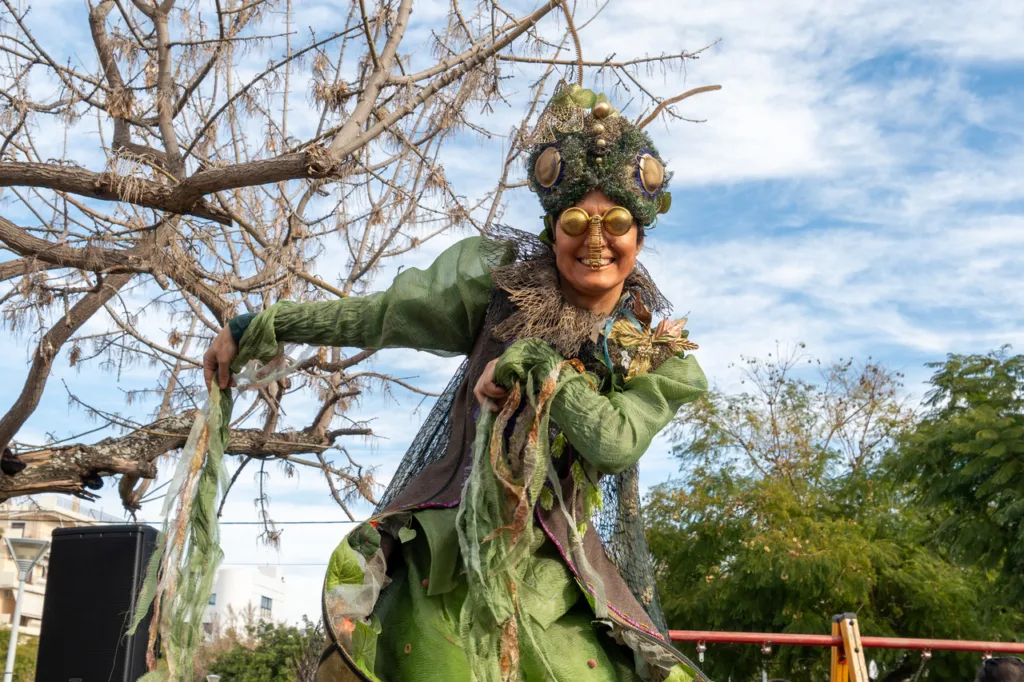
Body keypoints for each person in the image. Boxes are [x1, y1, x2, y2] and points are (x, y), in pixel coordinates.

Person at [204, 83, 708, 682]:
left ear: (640, 236)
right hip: (446, 555)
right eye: (576, 220)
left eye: (616, 221)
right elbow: (377, 315)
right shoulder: (498, 292)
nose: (595, 240)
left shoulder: (663, 359)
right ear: (552, 231)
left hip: (559, 580)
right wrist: (264, 324)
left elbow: (614, 441)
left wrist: (537, 365)